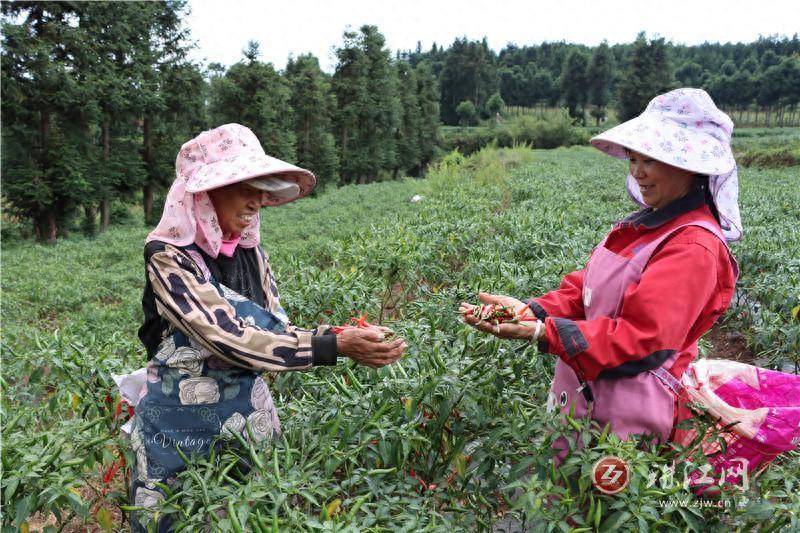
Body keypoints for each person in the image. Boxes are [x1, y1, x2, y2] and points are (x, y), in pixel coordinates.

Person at [461, 89, 800, 480]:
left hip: (626, 410)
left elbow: (643, 341)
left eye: (650, 160)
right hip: (588, 392)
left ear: (687, 164)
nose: (638, 171)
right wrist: (533, 310)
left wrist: (543, 331)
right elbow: (586, 287)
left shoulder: (693, 244)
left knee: (601, 507)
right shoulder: (643, 226)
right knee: (565, 497)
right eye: (635, 159)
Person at [128, 123, 406, 531]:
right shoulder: (168, 256)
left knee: (252, 516)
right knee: (176, 517)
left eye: (261, 188)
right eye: (245, 186)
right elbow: (229, 336)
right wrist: (335, 346)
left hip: (246, 415)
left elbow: (272, 326)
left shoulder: (250, 252)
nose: (257, 200)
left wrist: (340, 334)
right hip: (179, 427)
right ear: (206, 194)